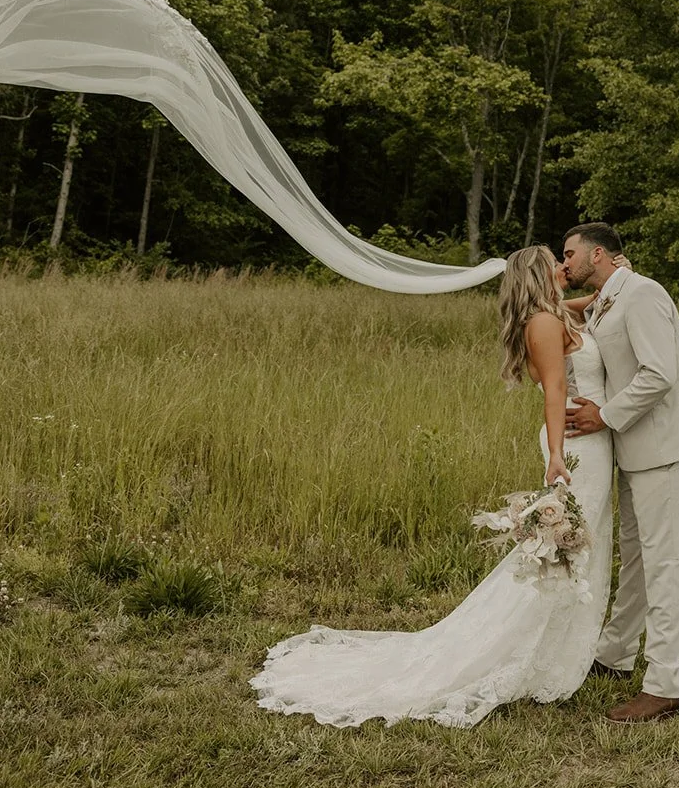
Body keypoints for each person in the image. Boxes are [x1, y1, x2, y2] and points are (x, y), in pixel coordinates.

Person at [250, 246, 616, 728]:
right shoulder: (545, 324)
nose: (562, 267)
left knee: (576, 546)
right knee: (561, 548)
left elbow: (591, 305)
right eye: (554, 261)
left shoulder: (551, 314)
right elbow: (555, 391)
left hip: (590, 440)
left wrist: (614, 279)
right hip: (573, 446)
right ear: (537, 273)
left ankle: (560, 647)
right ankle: (522, 651)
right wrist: (553, 456)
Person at [563, 222, 679, 724]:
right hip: (635, 450)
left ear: (599, 254)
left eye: (570, 254)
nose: (565, 263)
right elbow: (591, 320)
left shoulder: (644, 294)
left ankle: (665, 683)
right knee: (637, 559)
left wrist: (603, 415)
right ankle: (615, 654)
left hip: (668, 448)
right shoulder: (611, 293)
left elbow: (659, 373)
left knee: (667, 563)